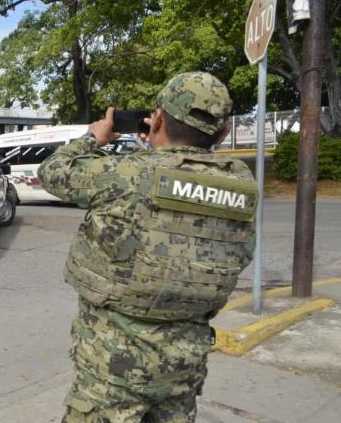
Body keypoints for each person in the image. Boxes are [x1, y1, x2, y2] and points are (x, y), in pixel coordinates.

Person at [38, 72, 258, 423]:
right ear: (223, 133)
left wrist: (93, 138)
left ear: (156, 119)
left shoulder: (126, 173)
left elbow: (53, 171)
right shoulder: (240, 185)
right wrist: (160, 149)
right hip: (185, 361)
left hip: (113, 364)